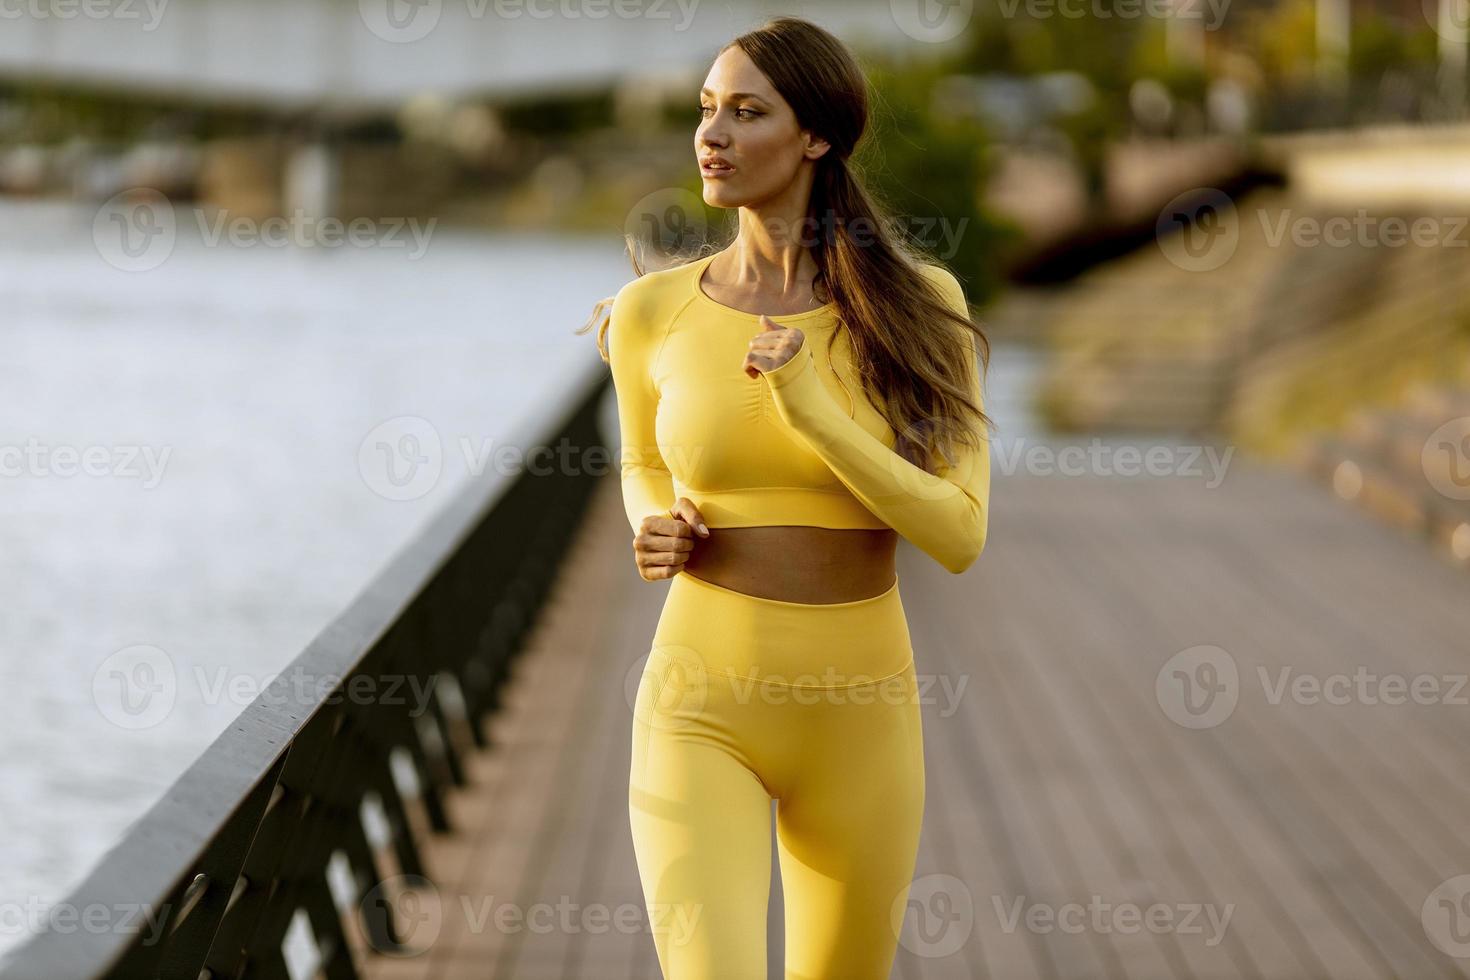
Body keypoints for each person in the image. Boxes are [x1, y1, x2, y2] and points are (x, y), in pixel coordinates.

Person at [580, 15, 995, 978]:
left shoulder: (923, 310)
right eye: (705, 110)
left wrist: (814, 411)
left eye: (746, 112)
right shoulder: (651, 312)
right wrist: (652, 522)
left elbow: (960, 532)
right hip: (699, 701)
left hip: (861, 712)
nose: (711, 136)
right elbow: (643, 460)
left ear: (815, 136)